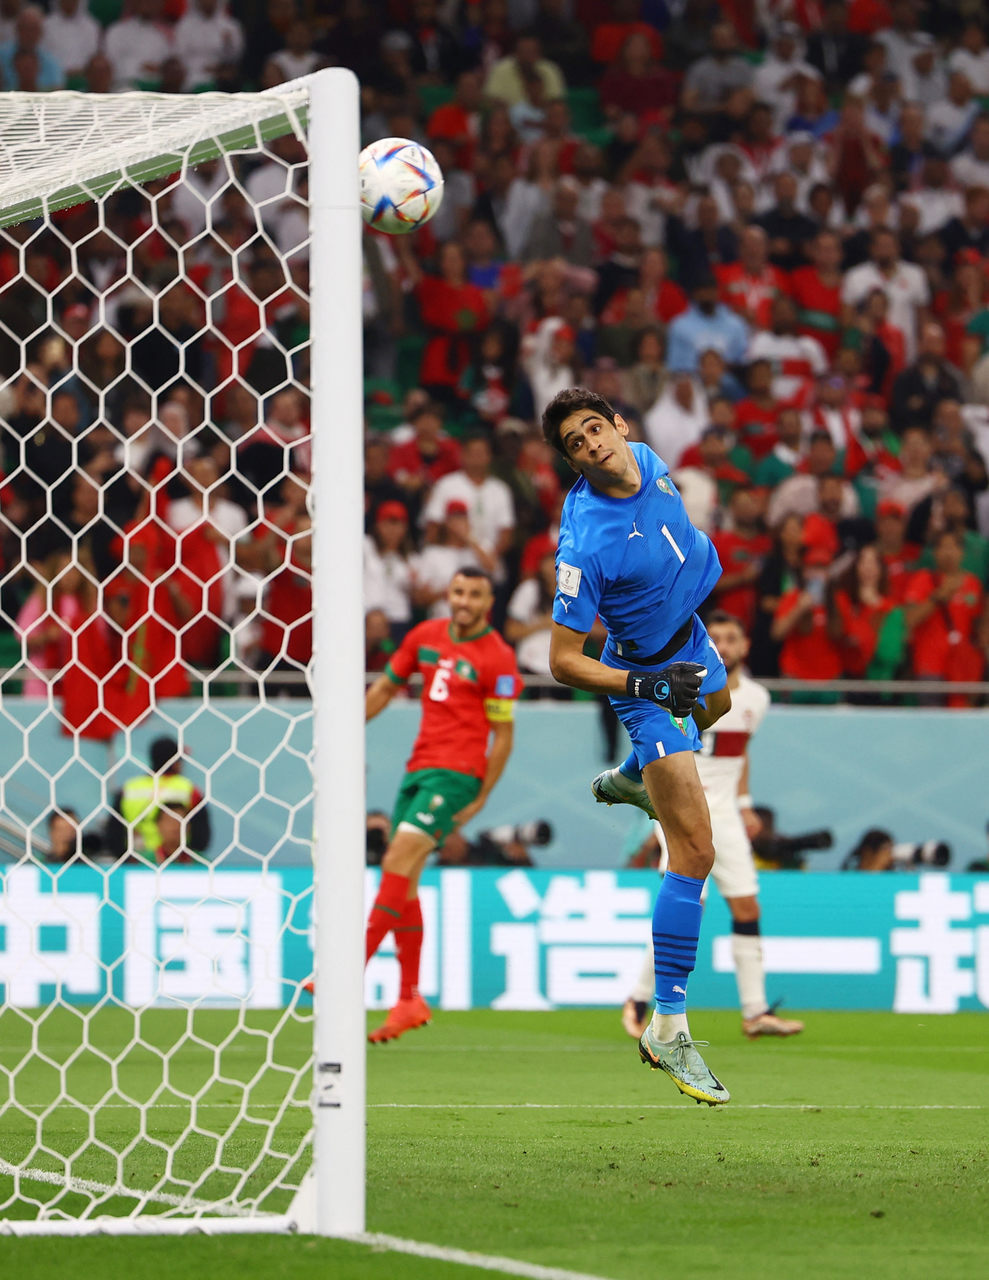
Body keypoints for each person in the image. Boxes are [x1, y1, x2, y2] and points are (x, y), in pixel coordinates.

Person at [542, 386, 732, 1106]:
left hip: (692, 642)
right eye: (576, 445)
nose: (592, 445)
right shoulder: (585, 542)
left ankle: (628, 778)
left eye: (596, 429)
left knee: (717, 702)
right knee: (694, 852)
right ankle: (668, 1024)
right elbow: (562, 661)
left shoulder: (649, 459)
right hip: (648, 674)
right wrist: (643, 686)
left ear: (620, 427)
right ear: (572, 462)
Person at [621, 613, 805, 1042]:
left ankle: (756, 1012)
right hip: (685, 812)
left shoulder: (757, 699)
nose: (722, 645)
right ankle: (637, 999)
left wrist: (743, 803)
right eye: (715, 637)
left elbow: (738, 756)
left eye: (732, 637)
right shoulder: (679, 689)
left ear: (745, 646)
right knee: (686, 906)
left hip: (725, 816)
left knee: (747, 909)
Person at [363, 567, 520, 1043]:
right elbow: (388, 686)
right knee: (405, 880)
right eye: (458, 592)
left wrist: (481, 795)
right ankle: (409, 997)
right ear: (448, 595)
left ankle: (346, 969)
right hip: (418, 770)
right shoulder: (425, 636)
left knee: (396, 858)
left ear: (489, 601)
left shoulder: (499, 659)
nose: (464, 601)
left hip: (455, 776)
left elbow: (504, 735)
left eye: (474, 594)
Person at [105, 736, 210, 864]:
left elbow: (113, 833)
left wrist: (128, 861)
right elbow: (201, 836)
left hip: (137, 863)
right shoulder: (189, 789)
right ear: (176, 762)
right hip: (177, 863)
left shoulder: (129, 789)